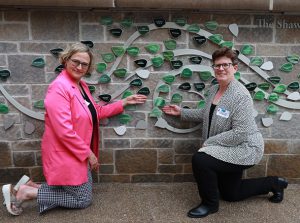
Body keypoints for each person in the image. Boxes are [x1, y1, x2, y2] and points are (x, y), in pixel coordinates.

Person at [2, 42, 147, 215]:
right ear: (66, 59)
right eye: (75, 61)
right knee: (82, 199)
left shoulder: (81, 85)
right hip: (66, 152)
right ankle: (28, 192)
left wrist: (123, 102)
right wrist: (89, 154)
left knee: (84, 191)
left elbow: (94, 112)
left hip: (76, 152)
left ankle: (33, 186)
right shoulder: (58, 88)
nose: (79, 67)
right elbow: (64, 131)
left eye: (84, 64)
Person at [162, 47, 288, 218]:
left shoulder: (240, 96)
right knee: (231, 194)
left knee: (201, 160)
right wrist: (182, 112)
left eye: (225, 65)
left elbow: (241, 133)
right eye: (217, 65)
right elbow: (205, 114)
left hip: (245, 147)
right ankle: (275, 183)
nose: (220, 69)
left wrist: (210, 143)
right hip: (228, 146)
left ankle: (210, 204)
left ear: (235, 68)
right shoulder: (214, 89)